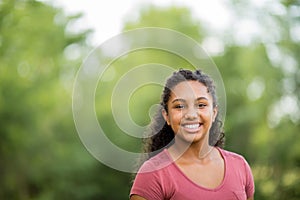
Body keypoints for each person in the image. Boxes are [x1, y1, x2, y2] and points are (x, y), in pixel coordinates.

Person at [130, 69, 255, 200]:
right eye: (179, 106)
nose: (191, 115)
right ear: (166, 116)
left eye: (201, 105)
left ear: (214, 112)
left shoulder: (240, 166)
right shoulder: (153, 174)